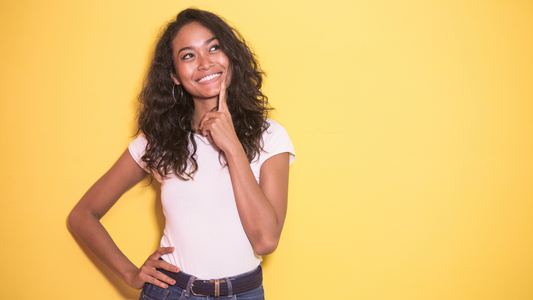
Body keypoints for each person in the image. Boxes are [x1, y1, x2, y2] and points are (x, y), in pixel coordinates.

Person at [68, 8, 295, 300]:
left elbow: (265, 241)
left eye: (214, 48)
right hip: (172, 293)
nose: (204, 63)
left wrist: (232, 146)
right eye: (188, 56)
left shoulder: (271, 135)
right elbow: (82, 215)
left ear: (230, 58)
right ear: (175, 75)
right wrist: (130, 274)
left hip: (244, 293)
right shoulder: (159, 140)